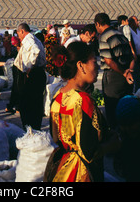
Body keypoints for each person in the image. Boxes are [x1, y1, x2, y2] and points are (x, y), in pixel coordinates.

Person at [44, 41, 119, 182]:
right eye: (94, 61)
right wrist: (112, 144)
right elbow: (89, 152)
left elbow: (55, 138)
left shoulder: (58, 97)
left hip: (61, 170)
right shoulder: (83, 100)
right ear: (80, 65)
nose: (97, 66)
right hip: (81, 173)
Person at [94, 12, 135, 129]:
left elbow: (108, 61)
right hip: (126, 77)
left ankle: (117, 138)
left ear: (98, 24)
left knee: (113, 110)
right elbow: (132, 57)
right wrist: (129, 72)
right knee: (126, 107)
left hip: (113, 77)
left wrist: (123, 72)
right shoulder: (121, 35)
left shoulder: (104, 37)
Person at [15, 23, 47, 130]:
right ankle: (34, 128)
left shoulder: (29, 39)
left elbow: (35, 50)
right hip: (38, 73)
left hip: (34, 74)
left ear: (22, 31)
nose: (18, 36)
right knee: (35, 104)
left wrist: (29, 67)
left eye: (18, 33)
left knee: (28, 104)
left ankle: (30, 129)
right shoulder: (34, 38)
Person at [128, 16, 140, 91]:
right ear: (131, 22)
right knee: (136, 76)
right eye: (136, 21)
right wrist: (133, 53)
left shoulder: (137, 31)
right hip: (135, 57)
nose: (138, 22)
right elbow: (130, 43)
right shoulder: (129, 31)